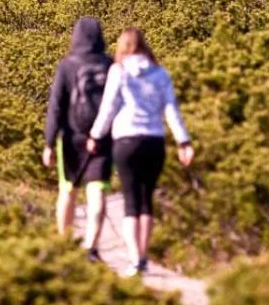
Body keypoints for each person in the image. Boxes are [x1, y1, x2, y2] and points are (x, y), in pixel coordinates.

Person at [90, 27, 194, 276]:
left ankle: (134, 258)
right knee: (146, 201)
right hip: (154, 140)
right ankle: (144, 257)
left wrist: (96, 135)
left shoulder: (119, 71)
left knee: (131, 202)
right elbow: (171, 110)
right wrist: (183, 141)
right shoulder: (160, 73)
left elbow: (109, 107)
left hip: (126, 140)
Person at [42, 17, 113, 261]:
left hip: (71, 138)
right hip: (103, 139)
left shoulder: (67, 66)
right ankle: (91, 247)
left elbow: (56, 106)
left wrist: (49, 142)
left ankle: (64, 242)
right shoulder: (109, 64)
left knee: (68, 191)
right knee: (97, 192)